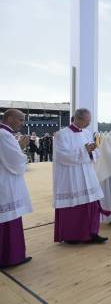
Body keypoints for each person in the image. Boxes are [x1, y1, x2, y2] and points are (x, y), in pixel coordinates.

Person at [53, 108, 110, 244]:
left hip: (87, 173)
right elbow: (61, 156)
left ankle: (92, 233)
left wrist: (92, 151)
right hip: (72, 176)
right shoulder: (62, 134)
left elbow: (92, 153)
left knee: (91, 204)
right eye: (87, 121)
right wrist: (84, 150)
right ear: (77, 119)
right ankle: (72, 236)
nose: (88, 124)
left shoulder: (87, 133)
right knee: (75, 207)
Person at [0, 109, 33, 268]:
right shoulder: (5, 135)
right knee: (8, 219)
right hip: (5, 184)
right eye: (20, 120)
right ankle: (10, 257)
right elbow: (14, 163)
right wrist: (21, 147)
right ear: (10, 118)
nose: (22, 123)